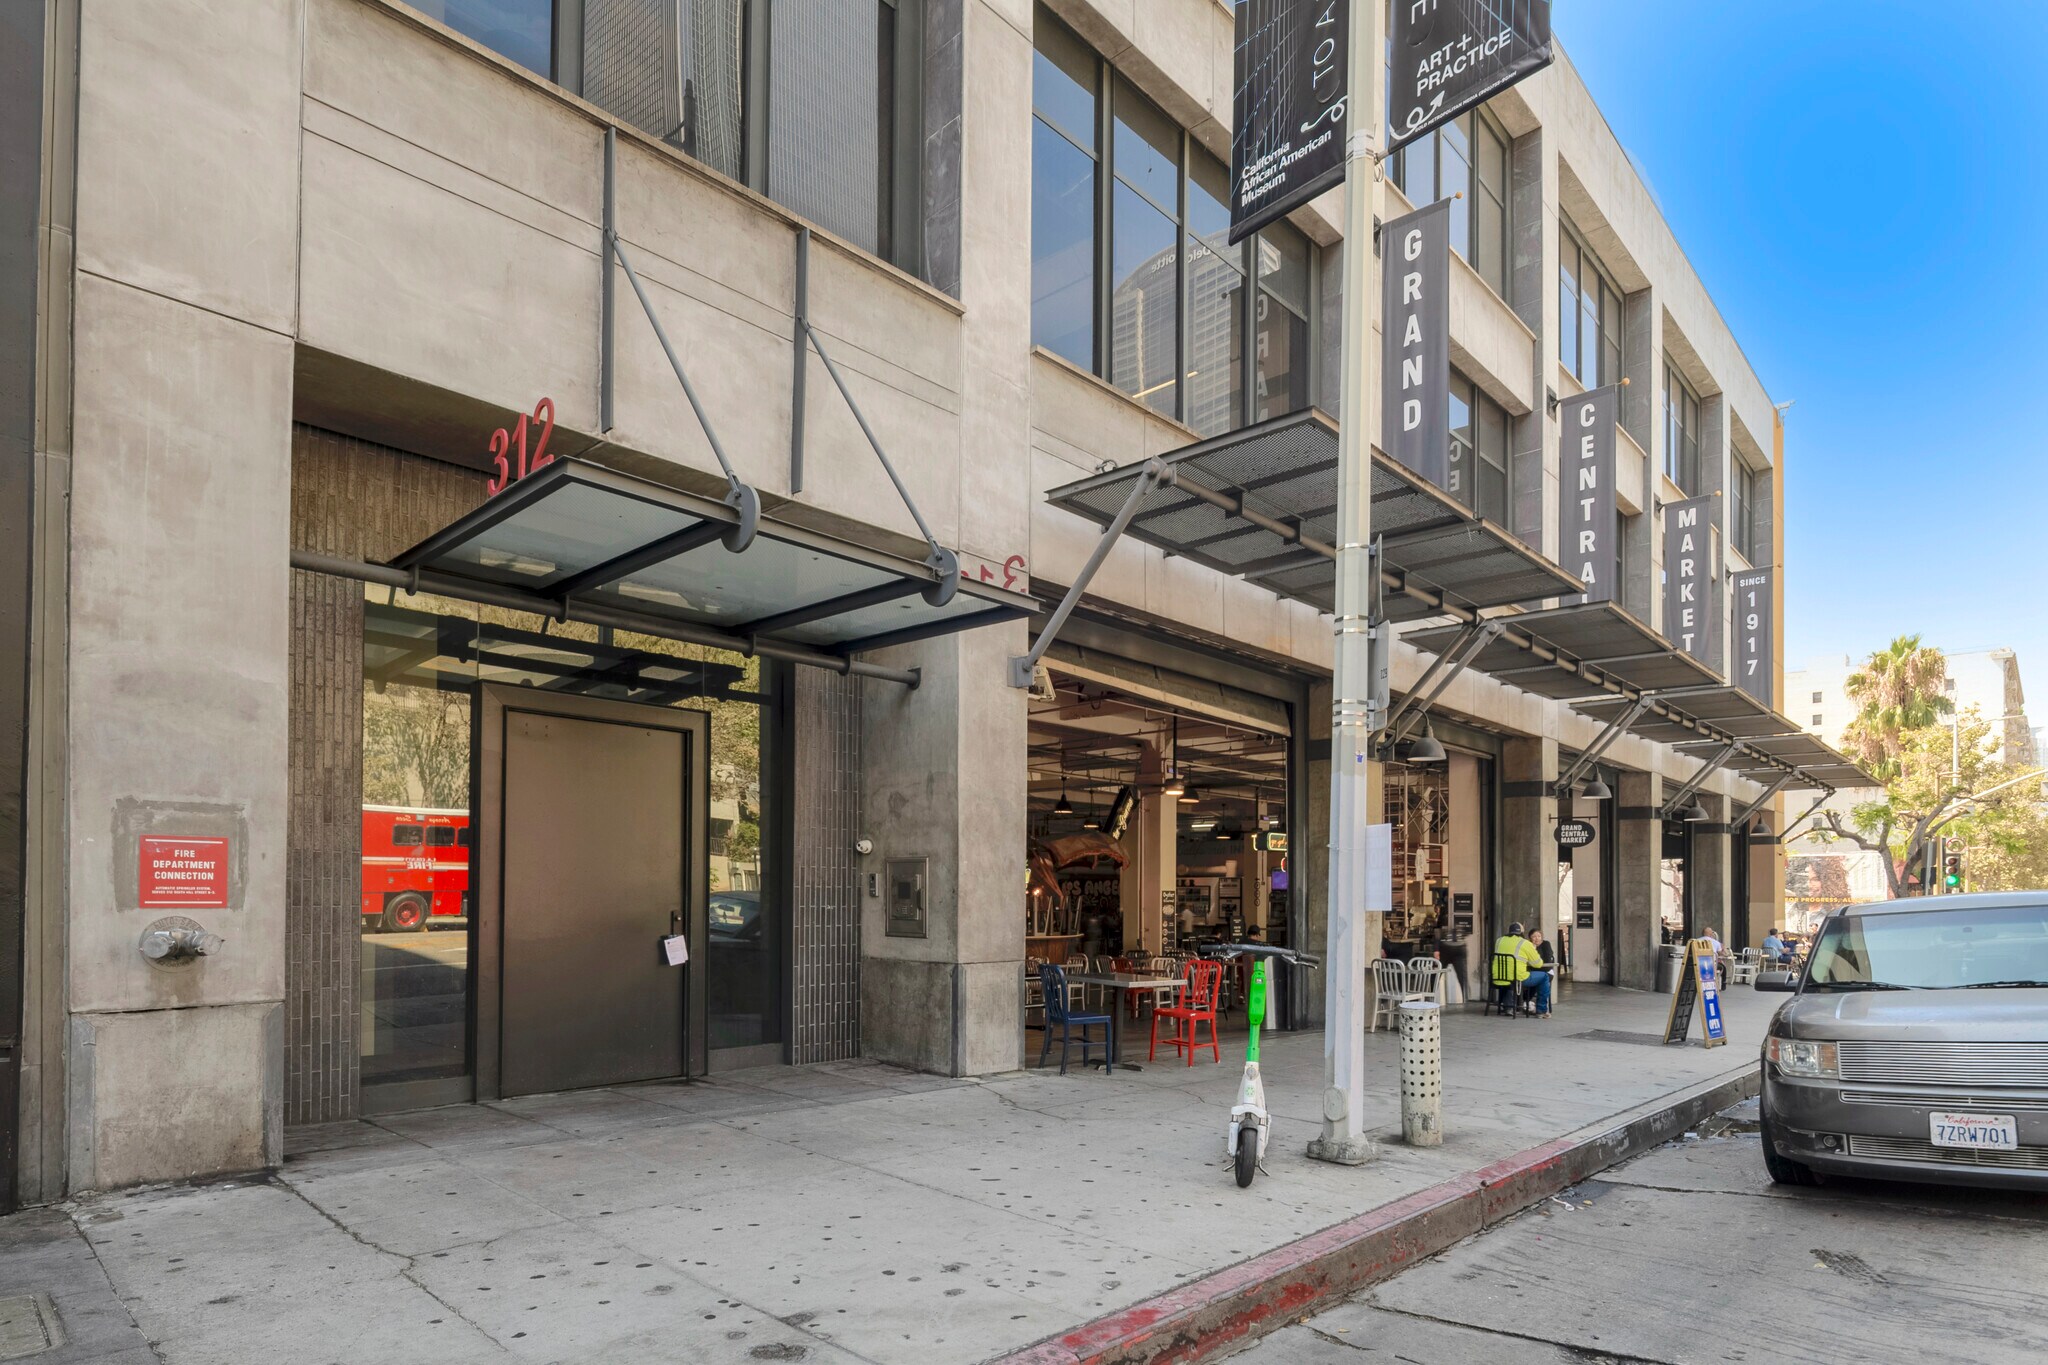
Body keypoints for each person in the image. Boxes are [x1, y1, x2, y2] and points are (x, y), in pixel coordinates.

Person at [1492, 922, 1552, 1018]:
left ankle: (1508, 1007)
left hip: (1498, 977)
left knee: (1509, 976)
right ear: (1522, 933)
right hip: (1517, 978)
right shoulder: (1525, 943)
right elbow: (1538, 964)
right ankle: (1541, 1011)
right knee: (1544, 977)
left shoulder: (1499, 940)